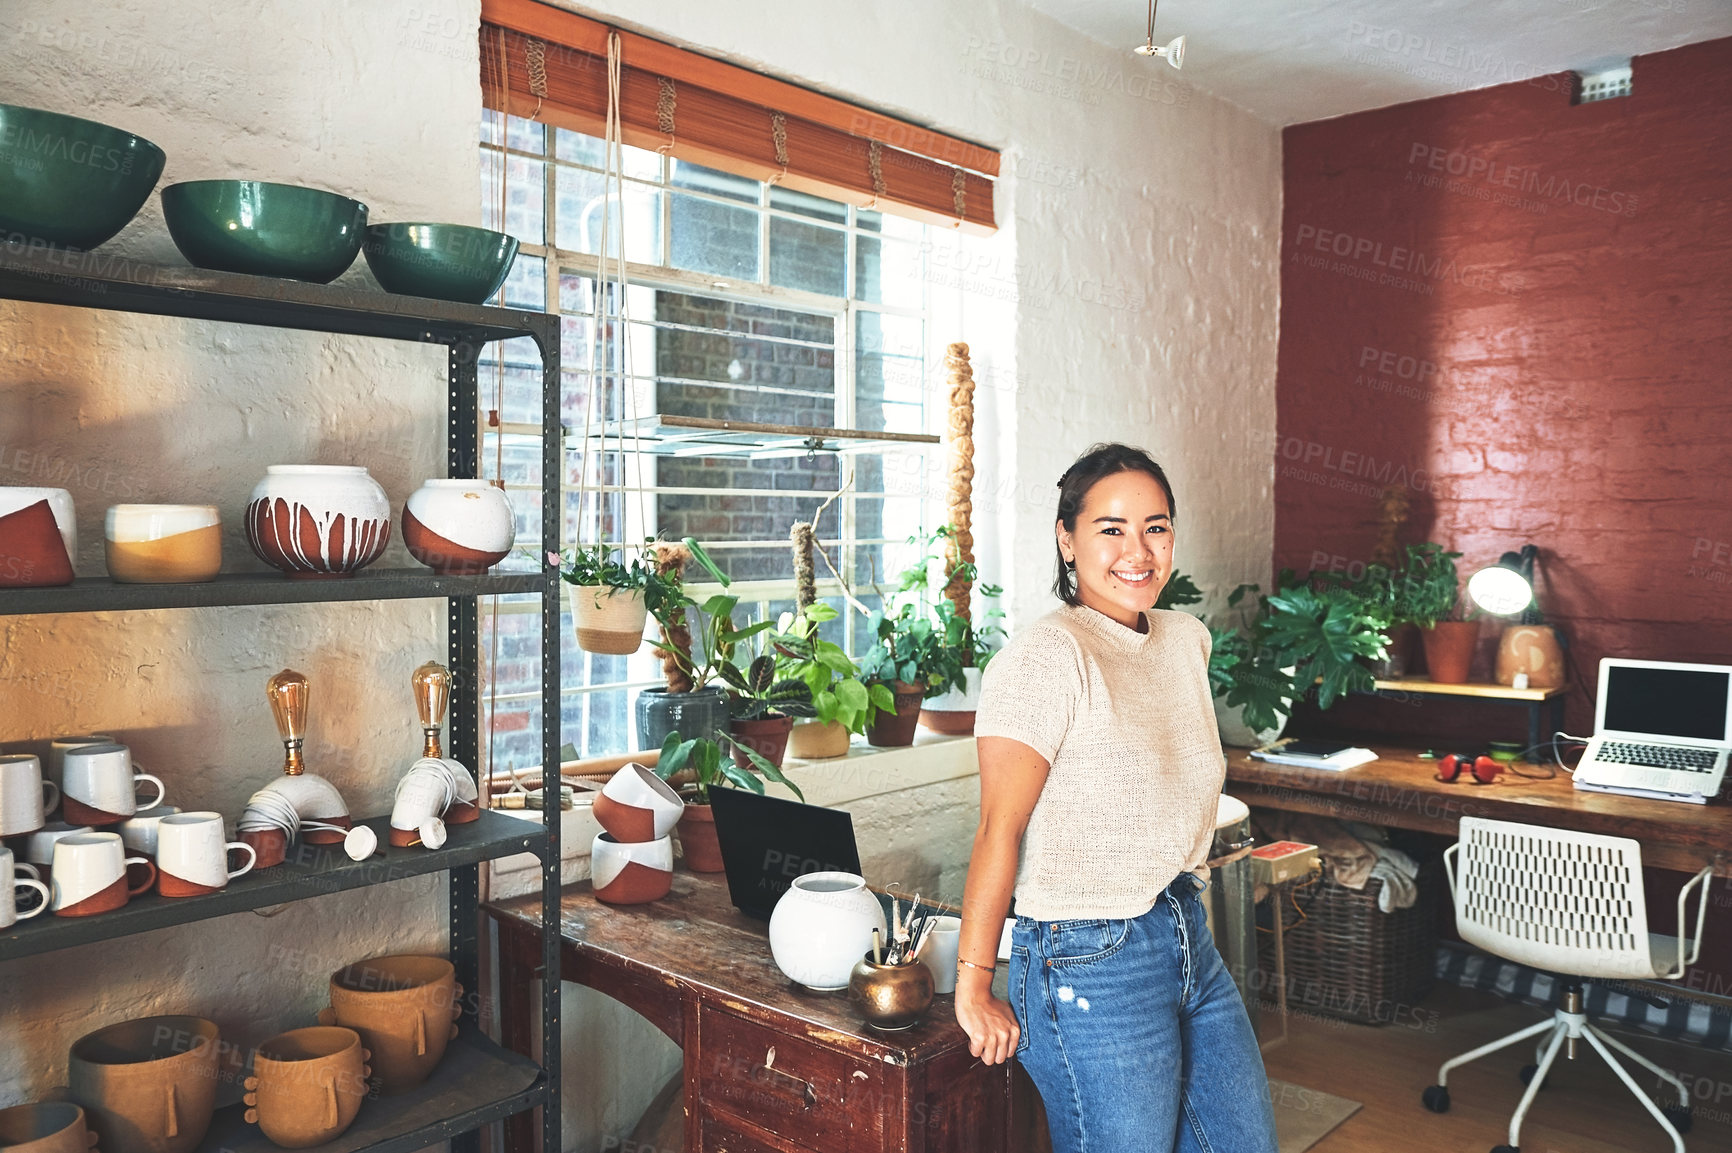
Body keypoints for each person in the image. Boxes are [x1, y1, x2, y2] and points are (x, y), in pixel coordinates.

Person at [953, 442, 1278, 1153]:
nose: (1138, 550)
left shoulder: (1184, 638)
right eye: (1111, 528)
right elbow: (996, 829)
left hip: (1184, 928)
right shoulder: (1048, 656)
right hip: (1087, 956)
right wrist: (975, 983)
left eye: (1155, 527)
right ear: (1067, 538)